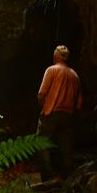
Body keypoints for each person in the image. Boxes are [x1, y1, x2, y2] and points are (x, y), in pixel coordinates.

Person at [37, 45, 82, 179]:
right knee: (67, 150)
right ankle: (68, 181)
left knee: (41, 144)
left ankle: (48, 178)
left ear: (56, 56)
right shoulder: (75, 75)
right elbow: (79, 103)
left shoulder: (51, 70)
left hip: (51, 112)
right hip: (68, 116)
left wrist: (45, 109)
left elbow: (41, 94)